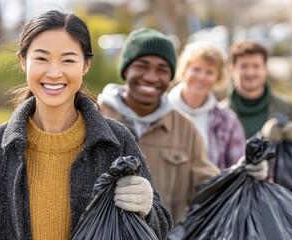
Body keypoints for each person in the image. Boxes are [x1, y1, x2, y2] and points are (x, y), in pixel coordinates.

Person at [0, 11, 173, 239]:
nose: (54, 72)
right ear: (23, 62)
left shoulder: (116, 142)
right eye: (42, 58)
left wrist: (147, 209)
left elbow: (161, 228)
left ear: (86, 65)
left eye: (68, 60)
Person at [97, 28, 268, 224]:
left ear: (170, 75)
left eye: (161, 69)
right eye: (142, 66)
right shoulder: (97, 118)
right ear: (126, 69)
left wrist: (247, 173)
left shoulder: (185, 128)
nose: (151, 77)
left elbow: (210, 183)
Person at [168, 42, 246, 169]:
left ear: (218, 77)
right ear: (185, 70)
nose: (201, 77)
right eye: (196, 69)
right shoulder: (161, 111)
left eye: (209, 72)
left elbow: (238, 169)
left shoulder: (227, 121)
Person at [221, 40, 292, 149]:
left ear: (265, 69)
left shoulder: (287, 109)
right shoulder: (220, 115)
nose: (250, 73)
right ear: (231, 70)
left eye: (256, 66)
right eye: (244, 66)